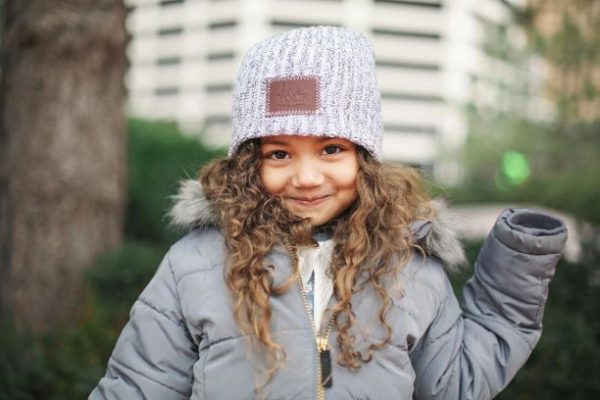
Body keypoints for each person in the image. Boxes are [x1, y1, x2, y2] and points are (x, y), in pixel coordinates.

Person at [90, 26, 568, 400]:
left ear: (364, 157)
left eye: (331, 149)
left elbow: (455, 384)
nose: (305, 176)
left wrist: (516, 276)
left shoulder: (410, 268)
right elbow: (137, 385)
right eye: (279, 154)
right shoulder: (194, 264)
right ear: (248, 163)